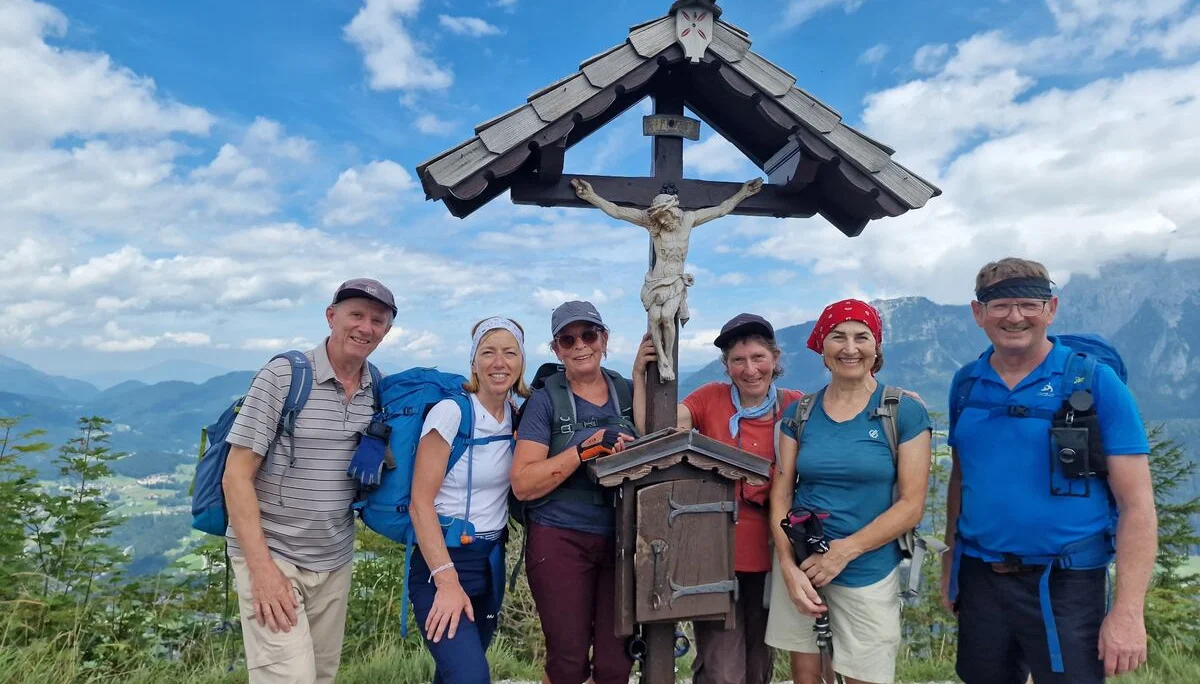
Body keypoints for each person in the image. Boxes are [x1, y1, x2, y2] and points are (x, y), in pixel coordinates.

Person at [942, 258, 1157, 683]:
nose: (1015, 316)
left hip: (1068, 580)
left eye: (1029, 304)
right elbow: (962, 478)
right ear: (978, 313)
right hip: (981, 576)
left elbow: (1138, 505)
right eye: (1000, 305)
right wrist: (951, 560)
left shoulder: (1094, 382)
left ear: (1051, 309)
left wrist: (1129, 613)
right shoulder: (966, 383)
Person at [222, 278, 395, 684]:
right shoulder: (284, 376)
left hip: (335, 558)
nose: (365, 327)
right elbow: (236, 476)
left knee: (320, 676)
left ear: (386, 331)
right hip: (274, 553)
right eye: (356, 315)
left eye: (377, 320)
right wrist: (262, 570)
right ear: (331, 317)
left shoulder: (378, 388)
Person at [768, 299, 932, 684]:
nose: (850, 347)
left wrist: (844, 552)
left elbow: (912, 505)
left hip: (868, 569)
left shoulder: (902, 411)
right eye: (838, 336)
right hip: (804, 564)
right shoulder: (801, 413)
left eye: (862, 337)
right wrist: (789, 567)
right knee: (807, 674)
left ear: (877, 348)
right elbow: (782, 494)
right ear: (822, 348)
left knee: (865, 675)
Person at [632, 313, 802, 684]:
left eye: (758, 357)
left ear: (775, 359)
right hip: (713, 552)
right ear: (726, 366)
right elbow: (656, 431)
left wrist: (896, 399)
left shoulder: (794, 406)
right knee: (723, 669)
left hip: (774, 552)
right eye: (738, 360)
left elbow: (842, 415)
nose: (750, 369)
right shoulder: (710, 399)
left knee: (759, 664)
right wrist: (639, 380)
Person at [510, 300, 640, 684]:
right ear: (556, 350)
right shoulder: (544, 400)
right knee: (567, 660)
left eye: (589, 335)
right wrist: (587, 449)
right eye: (568, 340)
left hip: (624, 538)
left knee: (617, 663)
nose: (580, 345)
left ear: (604, 338)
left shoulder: (629, 392)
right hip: (559, 536)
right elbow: (523, 483)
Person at [408, 317, 531, 683]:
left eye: (510, 353)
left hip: (489, 564)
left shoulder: (517, 416)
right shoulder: (452, 412)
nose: (499, 362)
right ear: (473, 362)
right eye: (488, 352)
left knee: (453, 675)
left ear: (521, 362)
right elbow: (420, 502)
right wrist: (447, 582)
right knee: (471, 676)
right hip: (441, 563)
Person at [570, 177, 762, 381]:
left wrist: (743, 193)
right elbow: (617, 211)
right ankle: (661, 360)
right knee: (654, 318)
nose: (661, 222)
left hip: (674, 281)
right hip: (655, 280)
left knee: (668, 318)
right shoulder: (652, 222)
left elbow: (721, 209)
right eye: (658, 219)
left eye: (664, 218)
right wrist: (591, 196)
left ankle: (667, 358)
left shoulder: (687, 220)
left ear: (672, 211)